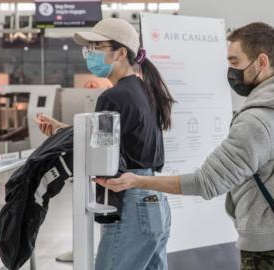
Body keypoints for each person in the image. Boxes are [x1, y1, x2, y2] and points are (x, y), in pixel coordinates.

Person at [96, 22, 274, 270]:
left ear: (262, 62)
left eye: (235, 62)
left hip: (267, 243)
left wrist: (137, 181)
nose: (230, 71)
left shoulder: (257, 120)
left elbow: (206, 182)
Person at [35, 18, 175, 270]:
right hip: (154, 200)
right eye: (88, 48)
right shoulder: (145, 90)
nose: (90, 54)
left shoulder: (113, 96)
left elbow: (100, 154)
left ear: (121, 52)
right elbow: (116, 142)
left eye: (97, 46)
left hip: (130, 202)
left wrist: (59, 144)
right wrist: (60, 128)